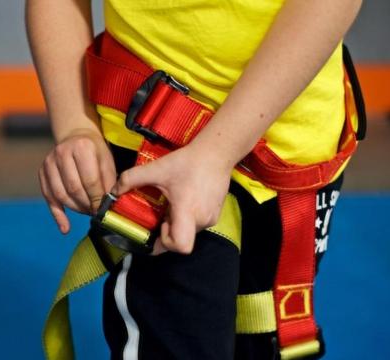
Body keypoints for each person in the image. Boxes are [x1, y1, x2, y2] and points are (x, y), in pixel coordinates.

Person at [26, 0, 364, 358]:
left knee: (267, 339)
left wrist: (217, 153)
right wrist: (75, 125)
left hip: (291, 151)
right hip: (155, 148)